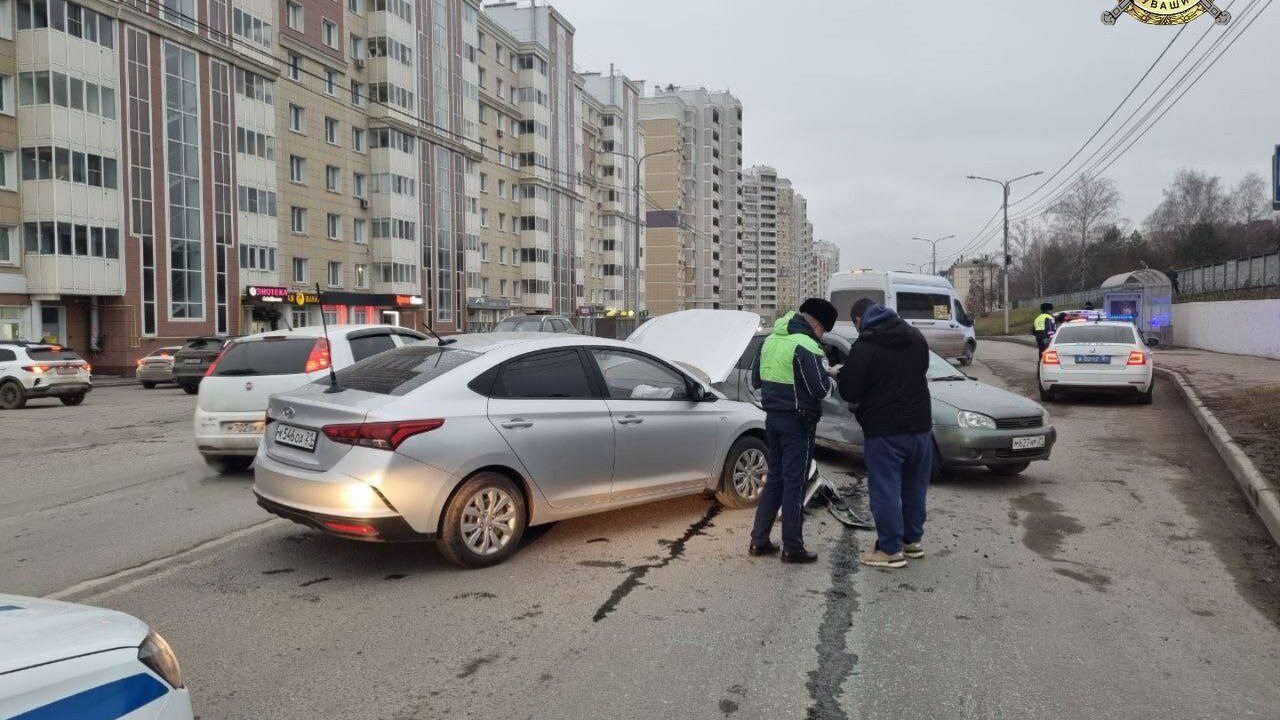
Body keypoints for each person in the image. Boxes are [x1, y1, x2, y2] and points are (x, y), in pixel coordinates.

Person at [837, 299, 932, 569]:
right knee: (915, 487)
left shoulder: (865, 346)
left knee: (885, 489)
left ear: (859, 320)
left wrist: (842, 376)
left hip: (885, 431)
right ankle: (911, 541)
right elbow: (921, 371)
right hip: (921, 426)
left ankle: (890, 549)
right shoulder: (915, 337)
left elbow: (850, 392)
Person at [748, 298, 839, 564]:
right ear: (818, 324)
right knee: (795, 482)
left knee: (775, 477)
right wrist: (831, 377)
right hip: (799, 423)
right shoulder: (807, 345)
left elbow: (756, 379)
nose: (821, 336)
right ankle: (793, 546)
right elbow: (820, 390)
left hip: (773, 419)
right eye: (823, 331)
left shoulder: (771, 340)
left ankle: (759, 539)